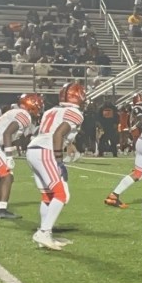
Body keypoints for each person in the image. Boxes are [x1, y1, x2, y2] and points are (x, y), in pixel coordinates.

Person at [25, 83, 85, 250]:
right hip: (47, 150)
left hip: (33, 149)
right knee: (62, 194)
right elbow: (58, 134)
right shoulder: (75, 113)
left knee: (48, 195)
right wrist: (59, 161)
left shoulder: (51, 111)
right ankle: (44, 232)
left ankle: (44, 233)